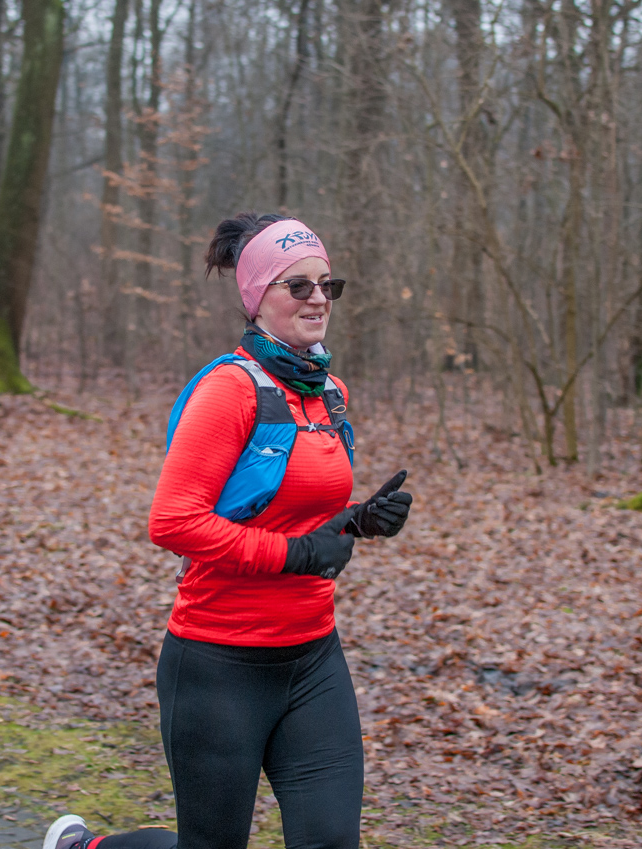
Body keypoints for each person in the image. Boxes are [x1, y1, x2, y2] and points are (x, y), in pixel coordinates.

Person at [43, 212, 414, 849]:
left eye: (327, 284)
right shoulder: (229, 391)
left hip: (313, 658)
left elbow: (287, 511)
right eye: (298, 285)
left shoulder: (328, 391)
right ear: (257, 297)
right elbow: (173, 522)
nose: (318, 299)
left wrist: (358, 519)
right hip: (219, 662)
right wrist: (295, 554)